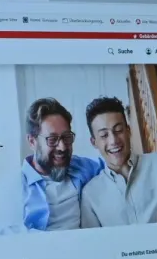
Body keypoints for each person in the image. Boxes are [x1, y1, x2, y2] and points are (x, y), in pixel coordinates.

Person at [78, 96, 157, 227]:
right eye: (104, 135)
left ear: (128, 131)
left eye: (118, 130)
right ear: (94, 142)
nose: (113, 141)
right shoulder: (90, 194)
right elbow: (94, 243)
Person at [21, 98, 103, 230]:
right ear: (32, 141)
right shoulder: (15, 189)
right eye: (52, 139)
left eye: (67, 137)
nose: (62, 147)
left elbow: (113, 162)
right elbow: (2, 241)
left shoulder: (82, 167)